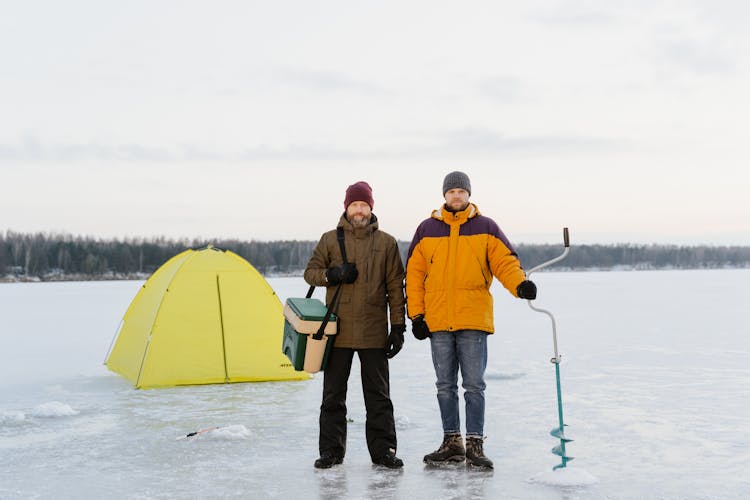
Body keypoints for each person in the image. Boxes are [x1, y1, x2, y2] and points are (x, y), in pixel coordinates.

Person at [405, 171, 537, 469]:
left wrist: (519, 285)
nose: (456, 195)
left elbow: (505, 262)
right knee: (444, 385)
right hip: (437, 320)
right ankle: (452, 442)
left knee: (474, 385)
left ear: (468, 194)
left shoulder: (486, 227)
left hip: (473, 318)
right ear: (444, 195)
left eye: (461, 191)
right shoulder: (426, 229)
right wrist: (416, 315)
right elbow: (413, 276)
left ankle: (474, 444)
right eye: (451, 191)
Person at [304, 181, 406, 469]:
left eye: (363, 205)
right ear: (346, 208)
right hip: (338, 331)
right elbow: (310, 273)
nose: (359, 210)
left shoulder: (386, 242)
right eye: (354, 205)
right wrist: (332, 274)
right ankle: (331, 452)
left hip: (374, 331)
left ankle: (383, 450)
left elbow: (396, 287)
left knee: (379, 397)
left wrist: (398, 327)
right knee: (333, 395)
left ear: (371, 208)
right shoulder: (329, 239)